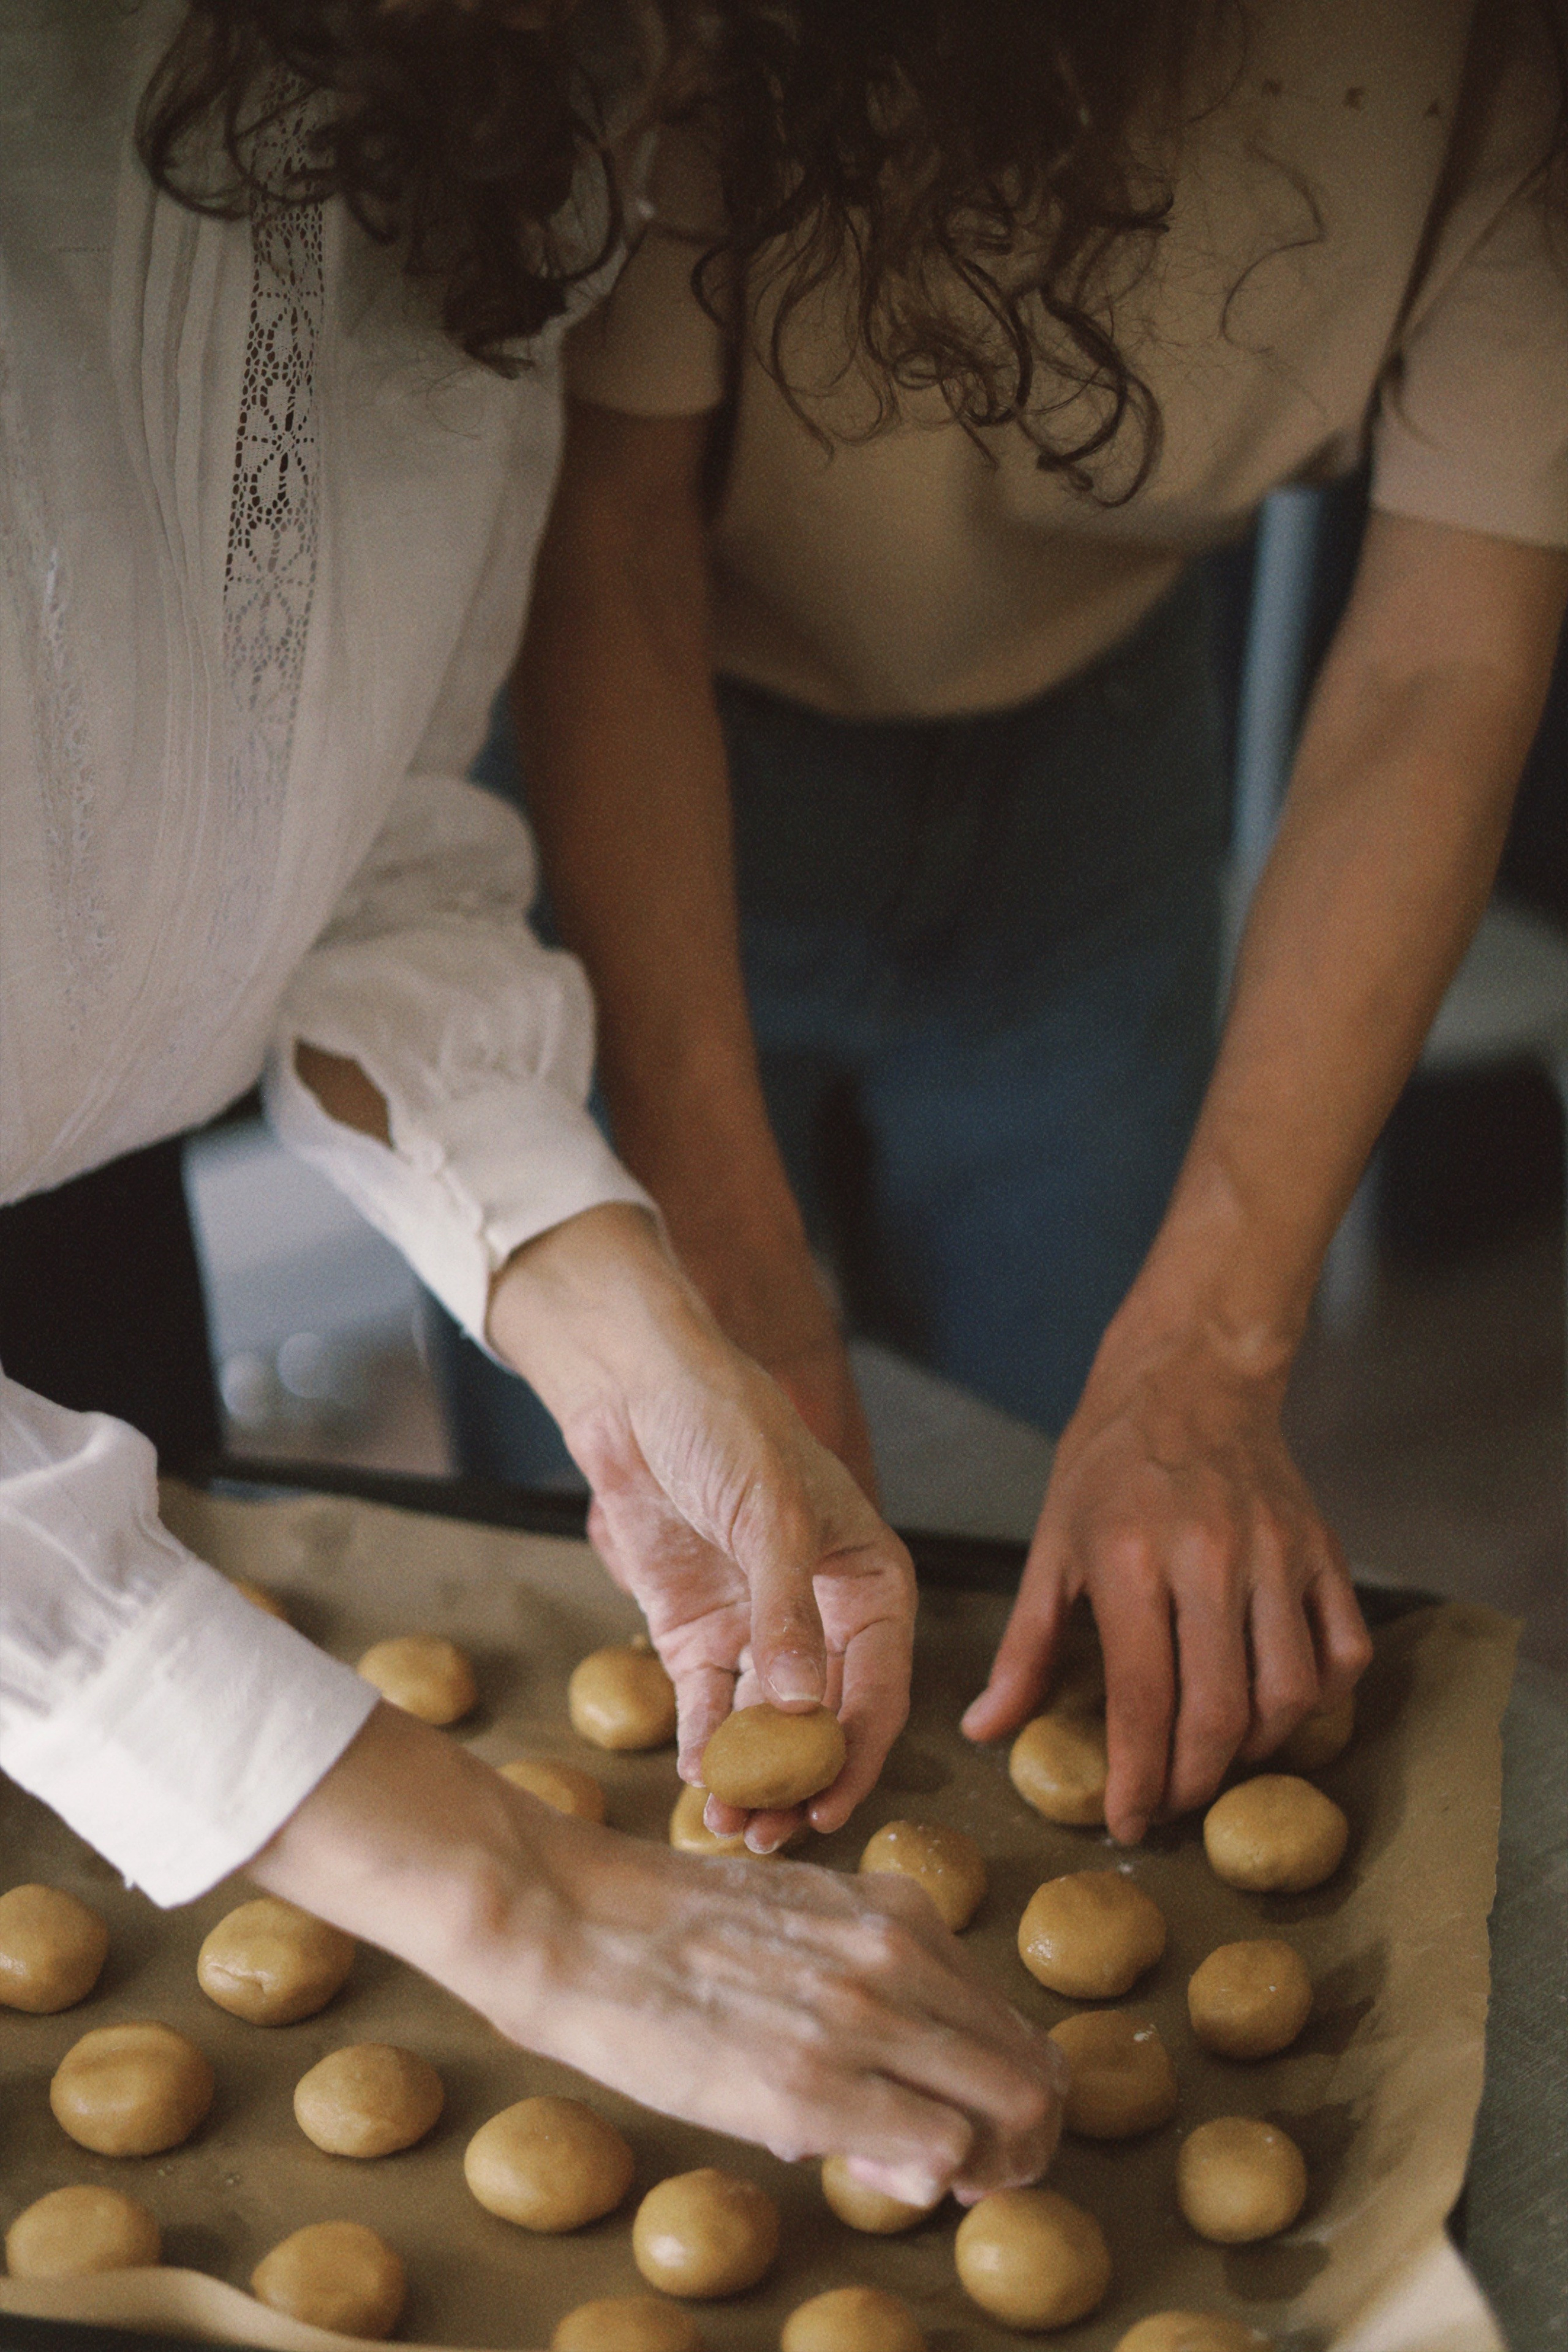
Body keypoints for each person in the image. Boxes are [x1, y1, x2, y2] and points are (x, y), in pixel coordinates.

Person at [0, 0, 1058, 2205]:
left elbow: (370, 844)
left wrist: (619, 1325)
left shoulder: (529, 108)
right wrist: (520, 1895)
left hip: (71, 1210)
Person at [446, 0, 1568, 1847]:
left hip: (1108, 746)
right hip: (660, 722)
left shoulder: (1506, 59)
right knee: (652, 1538)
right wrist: (724, 1240)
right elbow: (610, 528)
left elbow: (1442, 665)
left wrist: (1215, 1351)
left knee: (1079, 1519)